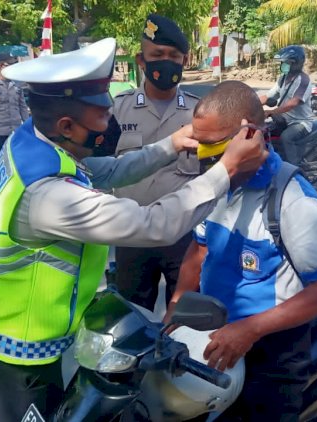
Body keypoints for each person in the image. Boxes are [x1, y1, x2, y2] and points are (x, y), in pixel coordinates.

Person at [0, 38, 267, 422]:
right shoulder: (50, 197)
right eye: (102, 117)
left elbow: (103, 172)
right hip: (16, 347)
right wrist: (226, 171)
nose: (110, 123)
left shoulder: (34, 143)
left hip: (11, 323)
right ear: (67, 125)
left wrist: (170, 145)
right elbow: (152, 225)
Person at [165, 81, 317, 422]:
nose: (205, 158)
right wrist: (175, 307)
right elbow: (198, 252)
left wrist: (250, 330)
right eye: (199, 146)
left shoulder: (293, 201)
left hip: (273, 351)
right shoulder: (216, 185)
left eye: (212, 147)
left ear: (251, 134)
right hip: (215, 337)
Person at [100, 14, 201, 312]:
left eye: (174, 56)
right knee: (130, 315)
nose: (166, 62)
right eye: (157, 55)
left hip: (185, 236)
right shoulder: (117, 111)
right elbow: (100, 170)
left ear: (185, 60)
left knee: (185, 317)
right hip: (133, 233)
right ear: (141, 60)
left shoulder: (200, 112)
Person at [258, 45, 315, 167]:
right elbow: (268, 96)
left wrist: (272, 112)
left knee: (286, 138)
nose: (283, 65)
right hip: (284, 120)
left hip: (300, 122)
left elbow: (293, 103)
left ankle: (294, 170)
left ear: (295, 63)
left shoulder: (303, 80)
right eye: (283, 62)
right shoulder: (283, 79)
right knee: (264, 132)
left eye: (286, 62)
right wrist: (251, 103)